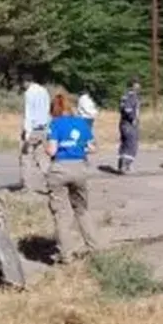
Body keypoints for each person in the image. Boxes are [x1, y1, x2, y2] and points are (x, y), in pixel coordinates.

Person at [44, 92, 100, 262]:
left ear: (53, 110)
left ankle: (66, 254)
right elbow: (92, 148)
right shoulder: (82, 124)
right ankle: (94, 247)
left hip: (60, 169)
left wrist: (46, 148)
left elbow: (52, 150)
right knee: (82, 210)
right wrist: (78, 147)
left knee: (61, 214)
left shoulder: (54, 124)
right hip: (80, 168)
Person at [20, 77, 51, 193]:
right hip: (44, 127)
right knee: (43, 158)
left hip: (33, 129)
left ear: (26, 81)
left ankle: (27, 187)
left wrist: (27, 134)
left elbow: (29, 114)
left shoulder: (29, 93)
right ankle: (51, 183)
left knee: (26, 157)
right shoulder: (44, 91)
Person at [117, 78, 141, 174]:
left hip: (123, 123)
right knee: (131, 145)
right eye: (138, 84)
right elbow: (128, 109)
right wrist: (133, 119)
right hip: (129, 124)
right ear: (134, 85)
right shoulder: (132, 96)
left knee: (124, 145)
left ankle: (121, 165)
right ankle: (126, 166)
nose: (139, 86)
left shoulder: (124, 96)